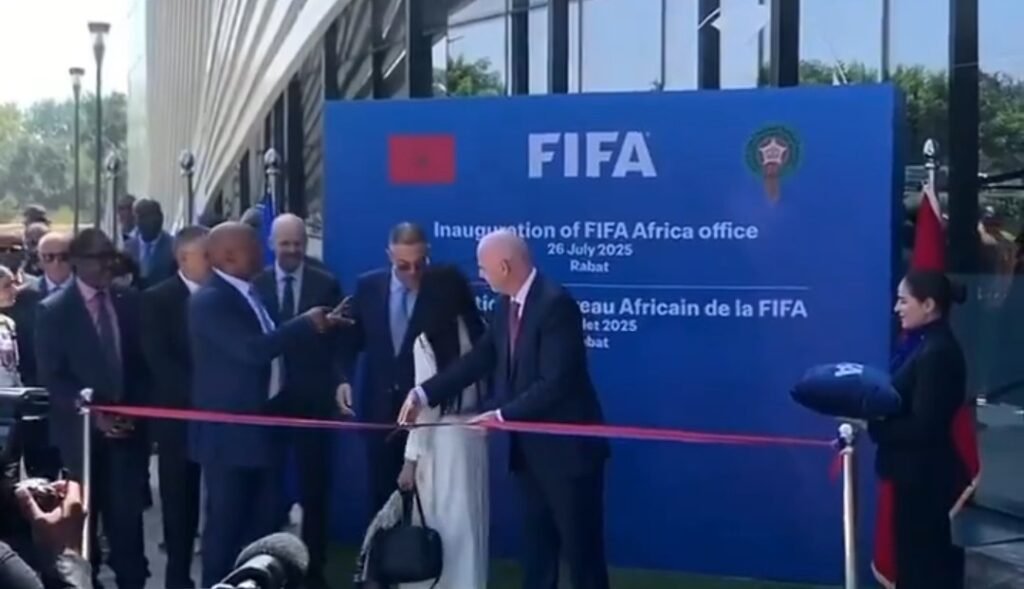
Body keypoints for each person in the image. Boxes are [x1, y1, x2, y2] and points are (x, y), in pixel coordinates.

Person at [399, 229, 610, 589]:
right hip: (528, 456)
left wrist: (501, 416)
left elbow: (555, 381)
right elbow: (481, 358)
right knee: (537, 556)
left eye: (484, 268)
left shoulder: (555, 304)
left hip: (568, 457)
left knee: (582, 556)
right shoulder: (504, 306)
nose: (481, 276)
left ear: (505, 266)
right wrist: (423, 393)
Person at [188, 222, 347, 586]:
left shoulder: (250, 293)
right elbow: (252, 351)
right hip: (230, 440)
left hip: (263, 430)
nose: (263, 252)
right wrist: (304, 324)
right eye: (254, 247)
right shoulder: (211, 301)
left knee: (262, 531)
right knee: (226, 529)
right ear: (229, 256)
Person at [35, 228, 150, 589]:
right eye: (98, 258)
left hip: (128, 436)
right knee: (86, 527)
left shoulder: (129, 302)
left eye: (110, 256)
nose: (107, 265)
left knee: (128, 525)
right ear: (77, 262)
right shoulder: (54, 311)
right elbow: (53, 378)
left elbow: (143, 365)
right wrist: (91, 414)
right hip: (81, 441)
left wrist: (134, 411)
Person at [253, 214, 351, 589]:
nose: (292, 250)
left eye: (298, 243)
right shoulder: (256, 285)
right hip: (267, 402)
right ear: (271, 244)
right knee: (267, 488)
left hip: (313, 401)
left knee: (315, 489)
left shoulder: (326, 283)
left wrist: (340, 381)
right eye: (285, 244)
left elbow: (341, 343)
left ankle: (313, 571)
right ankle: (266, 564)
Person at [869, 270, 968, 589]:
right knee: (913, 565)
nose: (896, 308)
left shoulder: (937, 352)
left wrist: (873, 425)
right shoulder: (921, 345)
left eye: (903, 301)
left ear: (928, 305)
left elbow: (925, 426)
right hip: (913, 476)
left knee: (924, 569)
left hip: (925, 479)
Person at [397, 264, 488, 589]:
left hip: (440, 444)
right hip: (474, 437)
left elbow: (424, 408)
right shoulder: (480, 331)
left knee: (440, 525)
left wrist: (410, 461)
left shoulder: (427, 340)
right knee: (470, 527)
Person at [341, 222, 438, 514]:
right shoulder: (368, 287)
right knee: (381, 495)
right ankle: (382, 544)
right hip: (379, 409)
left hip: (426, 412)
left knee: (426, 497)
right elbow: (350, 341)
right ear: (389, 255)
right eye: (403, 265)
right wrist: (342, 379)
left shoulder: (441, 290)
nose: (412, 272)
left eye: (419, 264)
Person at [141, 226, 210, 589]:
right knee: (179, 503)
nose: (215, 262)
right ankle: (178, 579)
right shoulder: (157, 300)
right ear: (184, 258)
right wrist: (203, 396)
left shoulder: (224, 295)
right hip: (178, 421)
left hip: (221, 419)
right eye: (206, 255)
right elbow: (159, 361)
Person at [124, 198, 175, 288]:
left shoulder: (173, 246)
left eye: (155, 216)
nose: (152, 221)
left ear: (161, 218)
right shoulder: (128, 247)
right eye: (145, 217)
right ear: (136, 220)